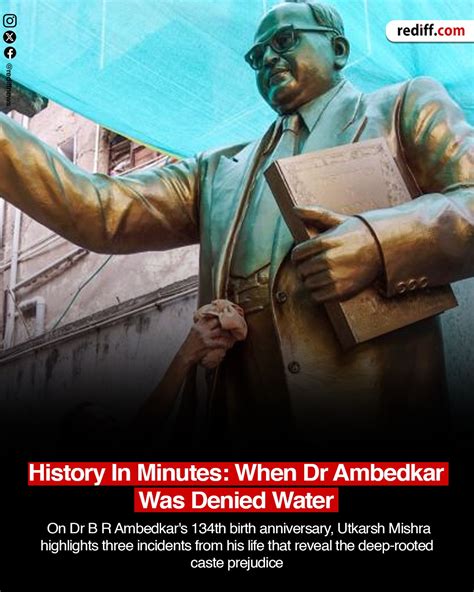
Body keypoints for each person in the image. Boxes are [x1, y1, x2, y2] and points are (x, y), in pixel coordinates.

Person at [0, 2, 472, 451]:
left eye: (284, 40)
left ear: (338, 48)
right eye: (256, 55)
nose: (268, 58)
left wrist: (375, 243)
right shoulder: (218, 172)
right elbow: (102, 210)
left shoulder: (401, 108)